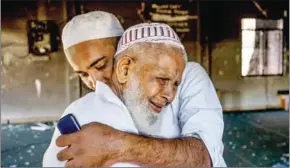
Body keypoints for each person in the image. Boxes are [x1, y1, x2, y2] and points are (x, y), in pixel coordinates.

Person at [45, 11, 226, 167]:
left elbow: (206, 157)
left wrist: (115, 145)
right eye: (83, 74)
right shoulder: (80, 111)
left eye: (101, 65)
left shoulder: (189, 75)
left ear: (124, 57)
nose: (96, 82)